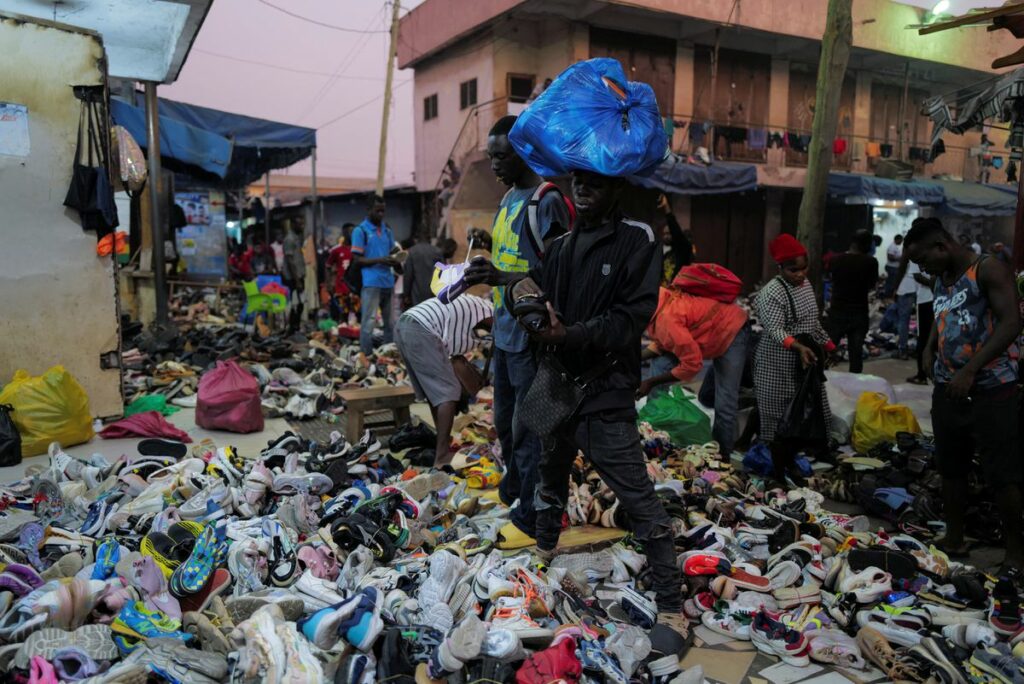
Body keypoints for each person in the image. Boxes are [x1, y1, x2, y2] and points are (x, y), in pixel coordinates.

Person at [503, 169, 688, 637]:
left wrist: (570, 333)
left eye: (596, 184)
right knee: (550, 474)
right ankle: (543, 556)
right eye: (578, 182)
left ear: (617, 189)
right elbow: (533, 286)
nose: (583, 190)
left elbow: (630, 318)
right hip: (557, 387)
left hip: (605, 391)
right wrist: (517, 292)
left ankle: (671, 607)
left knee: (638, 499)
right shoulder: (561, 245)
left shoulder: (637, 239)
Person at [463, 115, 571, 551]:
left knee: (530, 429)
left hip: (531, 338)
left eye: (501, 157)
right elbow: (515, 254)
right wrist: (484, 252)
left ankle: (529, 515)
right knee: (506, 427)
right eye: (491, 158)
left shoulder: (547, 200)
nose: (495, 167)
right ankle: (514, 491)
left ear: (524, 152)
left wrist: (502, 275)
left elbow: (559, 270)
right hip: (506, 335)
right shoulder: (509, 198)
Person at [904, 217, 1021, 568]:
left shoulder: (988, 270)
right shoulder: (942, 277)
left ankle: (1016, 552)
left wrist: (971, 370)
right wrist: (928, 346)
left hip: (992, 388)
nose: (923, 268)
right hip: (949, 388)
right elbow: (944, 316)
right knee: (951, 468)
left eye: (924, 260)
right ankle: (954, 537)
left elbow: (1011, 323)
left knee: (1002, 473)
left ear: (942, 246)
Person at [753, 234, 834, 481]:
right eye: (793, 270)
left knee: (802, 418)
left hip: (803, 362)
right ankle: (779, 473)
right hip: (775, 363)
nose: (800, 274)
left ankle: (792, 463)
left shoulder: (806, 285)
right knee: (780, 421)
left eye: (803, 268)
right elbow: (775, 329)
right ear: (780, 268)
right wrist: (798, 347)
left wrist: (828, 344)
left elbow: (811, 322)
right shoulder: (771, 293)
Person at [639, 288, 750, 454]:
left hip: (732, 331)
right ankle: (652, 433)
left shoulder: (666, 317)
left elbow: (692, 364)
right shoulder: (658, 304)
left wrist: (649, 382)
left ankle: (723, 458)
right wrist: (635, 358)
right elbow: (665, 341)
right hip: (705, 333)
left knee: (725, 402)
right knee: (660, 364)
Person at [395, 295, 493, 467]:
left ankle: (443, 443)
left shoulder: (476, 310)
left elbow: (454, 358)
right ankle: (442, 456)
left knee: (437, 393)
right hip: (420, 327)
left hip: (406, 324)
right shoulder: (489, 312)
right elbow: (457, 361)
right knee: (448, 392)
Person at [351, 196, 400, 355]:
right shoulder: (361, 231)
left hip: (388, 282)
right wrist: (380, 259)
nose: (381, 213)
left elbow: (393, 252)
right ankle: (366, 355)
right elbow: (357, 259)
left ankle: (388, 354)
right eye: (377, 210)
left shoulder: (388, 230)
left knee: (390, 323)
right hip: (371, 282)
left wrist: (398, 259)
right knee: (368, 323)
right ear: (368, 210)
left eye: (383, 210)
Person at [825, 230, 878, 373]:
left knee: (827, 351)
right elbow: (871, 285)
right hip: (858, 313)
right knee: (856, 355)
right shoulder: (871, 262)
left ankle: (819, 382)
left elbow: (831, 279)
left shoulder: (836, 260)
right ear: (866, 244)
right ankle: (855, 387)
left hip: (837, 311)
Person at [903, 257, 935, 384]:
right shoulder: (939, 250)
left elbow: (917, 276)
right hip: (939, 297)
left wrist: (934, 285)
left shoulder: (917, 253)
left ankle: (922, 375)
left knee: (923, 338)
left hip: (925, 300)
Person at [657, 194, 694, 285]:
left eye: (669, 233)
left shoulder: (683, 250)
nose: (666, 236)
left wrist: (667, 208)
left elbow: (675, 230)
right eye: (664, 234)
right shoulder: (666, 254)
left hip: (677, 293)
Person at [326, 225, 359, 322]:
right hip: (341, 286)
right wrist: (329, 282)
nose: (353, 234)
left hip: (355, 287)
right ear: (344, 233)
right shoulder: (336, 250)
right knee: (343, 313)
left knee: (357, 312)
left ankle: (355, 335)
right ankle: (343, 334)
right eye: (350, 232)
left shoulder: (358, 250)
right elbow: (328, 266)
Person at [402, 236, 444, 308]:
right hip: (433, 293)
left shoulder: (412, 251)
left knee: (418, 315)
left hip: (416, 294)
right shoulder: (438, 251)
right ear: (430, 240)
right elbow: (442, 273)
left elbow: (408, 275)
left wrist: (406, 295)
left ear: (417, 240)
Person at [281, 225, 306, 333]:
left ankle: (295, 327)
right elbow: (290, 261)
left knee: (300, 303)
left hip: (298, 276)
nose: (303, 225)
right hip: (293, 278)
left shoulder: (296, 238)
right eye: (300, 222)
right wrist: (297, 280)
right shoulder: (290, 239)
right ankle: (292, 328)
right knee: (295, 304)